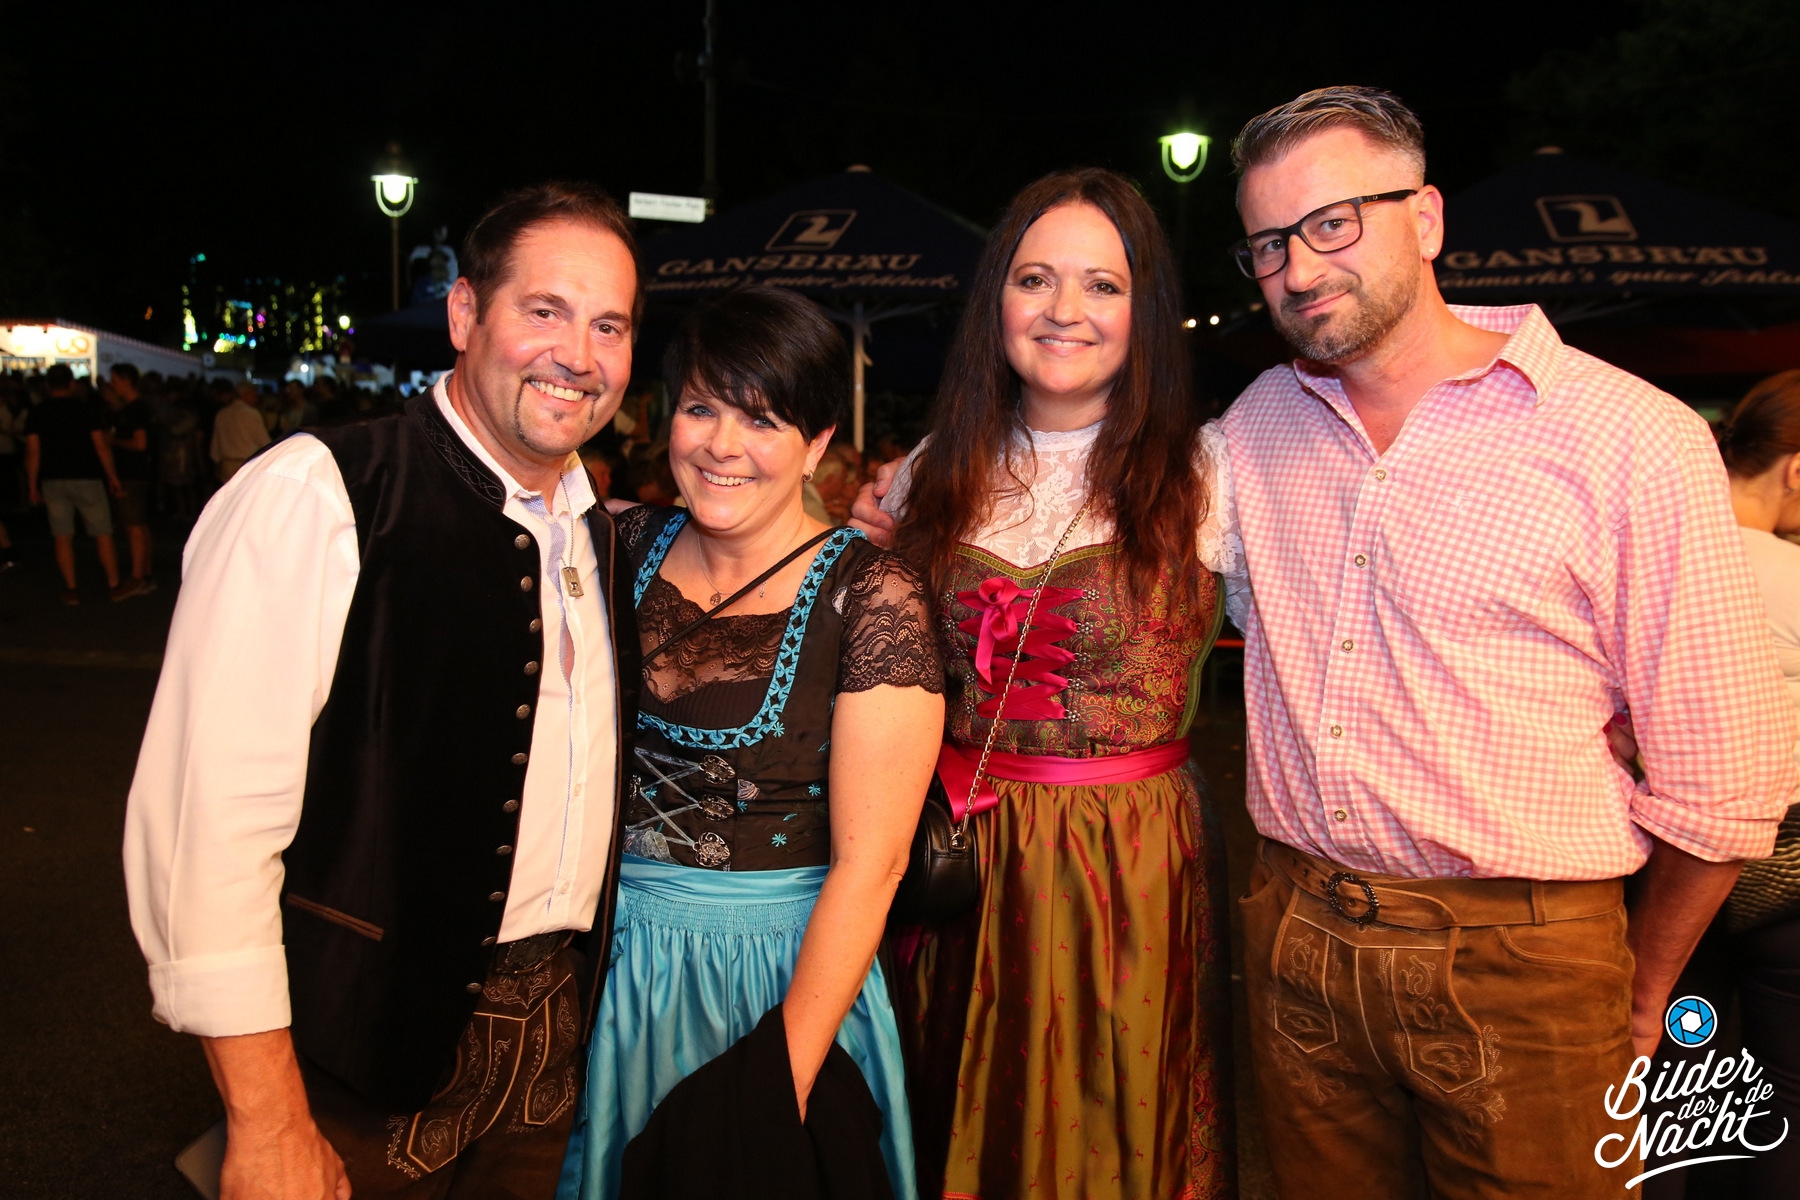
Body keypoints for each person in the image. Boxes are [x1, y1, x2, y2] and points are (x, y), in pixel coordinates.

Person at [1210, 87, 1792, 1197]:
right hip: (1298, 935)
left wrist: (1640, 988)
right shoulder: (1259, 421)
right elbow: (1092, 498)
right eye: (1269, 244)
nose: (1299, 267)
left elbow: (1726, 778)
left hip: (1528, 960)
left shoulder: (1632, 436)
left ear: (1426, 218)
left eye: (1333, 223)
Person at [124, 181, 643, 1200]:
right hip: (357, 1060)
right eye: (545, 310)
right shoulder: (319, 492)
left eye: (609, 326)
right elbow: (207, 828)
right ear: (464, 313)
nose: (577, 355)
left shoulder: (601, 532)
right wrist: (267, 1117)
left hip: (551, 1058)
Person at [857, 168, 1240, 1199]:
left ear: (1144, 312)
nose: (1065, 309)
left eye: (1102, 285)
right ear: (997, 301)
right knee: (956, 1115)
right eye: (1035, 279)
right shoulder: (934, 467)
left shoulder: (1211, 473)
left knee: (1116, 1129)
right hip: (959, 857)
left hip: (1132, 863)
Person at [558, 286, 942, 1200]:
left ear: (816, 444)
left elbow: (875, 864)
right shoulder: (613, 544)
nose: (722, 446)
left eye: (763, 419)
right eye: (700, 409)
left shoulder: (872, 596)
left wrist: (780, 1079)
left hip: (781, 975)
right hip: (606, 965)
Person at [1691, 371, 1800, 1196]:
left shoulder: (1662, 559)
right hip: (1786, 870)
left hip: (1666, 873)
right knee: (1786, 1102)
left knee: (1670, 1096)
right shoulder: (1790, 574)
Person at [24, 363, 131, 604]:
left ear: (48, 386)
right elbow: (100, 446)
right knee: (102, 532)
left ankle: (71, 588)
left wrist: (32, 485)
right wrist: (112, 477)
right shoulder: (85, 409)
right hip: (87, 476)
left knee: (62, 535)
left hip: (53, 478)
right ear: (71, 384)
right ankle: (114, 583)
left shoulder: (38, 412)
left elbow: (33, 452)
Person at [107, 362, 156, 593]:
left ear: (126, 381)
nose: (112, 385)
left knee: (133, 524)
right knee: (140, 523)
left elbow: (140, 443)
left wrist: (113, 441)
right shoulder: (135, 407)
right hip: (139, 472)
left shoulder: (135, 409)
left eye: (114, 380)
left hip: (132, 473)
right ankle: (145, 573)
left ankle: (138, 577)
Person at [210, 380, 269, 482]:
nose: (256, 397)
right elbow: (264, 442)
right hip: (247, 464)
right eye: (254, 394)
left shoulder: (222, 414)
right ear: (246, 395)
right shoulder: (251, 414)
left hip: (227, 465)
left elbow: (215, 447)